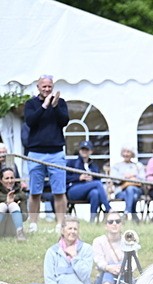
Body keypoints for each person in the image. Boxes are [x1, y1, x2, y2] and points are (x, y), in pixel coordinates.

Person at [24, 74, 69, 233]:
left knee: (59, 191)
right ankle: (33, 224)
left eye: (49, 86)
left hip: (56, 153)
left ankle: (60, 224)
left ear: (52, 87)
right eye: (44, 86)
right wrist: (44, 106)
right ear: (38, 87)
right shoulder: (31, 104)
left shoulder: (60, 103)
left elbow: (64, 121)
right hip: (36, 153)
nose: (47, 89)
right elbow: (30, 121)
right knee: (35, 191)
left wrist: (55, 106)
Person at [66, 140, 112, 223]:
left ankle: (92, 221)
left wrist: (92, 178)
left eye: (86, 150)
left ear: (91, 151)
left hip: (88, 191)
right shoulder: (72, 163)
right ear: (79, 150)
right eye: (82, 149)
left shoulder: (93, 165)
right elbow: (65, 178)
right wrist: (79, 177)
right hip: (73, 190)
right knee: (97, 184)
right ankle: (108, 209)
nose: (84, 151)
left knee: (95, 193)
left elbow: (98, 178)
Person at [92, 211, 125, 284]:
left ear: (121, 224)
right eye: (110, 222)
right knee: (108, 272)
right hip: (103, 280)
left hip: (124, 277)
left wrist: (122, 269)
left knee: (120, 269)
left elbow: (133, 262)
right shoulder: (98, 241)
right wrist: (109, 268)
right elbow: (99, 261)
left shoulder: (128, 240)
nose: (114, 224)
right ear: (105, 225)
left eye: (117, 221)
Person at [110, 145, 145, 223]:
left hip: (137, 190)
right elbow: (115, 179)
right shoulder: (117, 166)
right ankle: (134, 215)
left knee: (131, 189)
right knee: (134, 196)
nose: (126, 154)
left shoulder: (138, 166)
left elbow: (142, 180)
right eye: (124, 152)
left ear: (132, 154)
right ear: (122, 154)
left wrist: (127, 183)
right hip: (120, 192)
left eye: (128, 152)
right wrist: (128, 177)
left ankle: (126, 213)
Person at [0, 167, 28, 241]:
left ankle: (20, 234)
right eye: (7, 178)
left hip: (12, 228)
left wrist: (17, 208)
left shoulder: (21, 194)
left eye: (12, 178)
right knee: (2, 206)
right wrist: (6, 202)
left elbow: (25, 217)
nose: (10, 180)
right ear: (1, 180)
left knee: (13, 205)